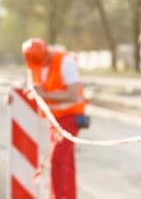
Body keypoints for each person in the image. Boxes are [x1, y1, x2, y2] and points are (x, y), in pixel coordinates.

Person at [21, 38, 87, 199]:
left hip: (71, 116)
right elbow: (29, 87)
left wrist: (46, 95)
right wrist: (13, 96)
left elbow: (72, 94)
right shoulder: (34, 64)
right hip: (54, 119)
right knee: (66, 162)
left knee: (57, 159)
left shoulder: (66, 62)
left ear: (47, 53)